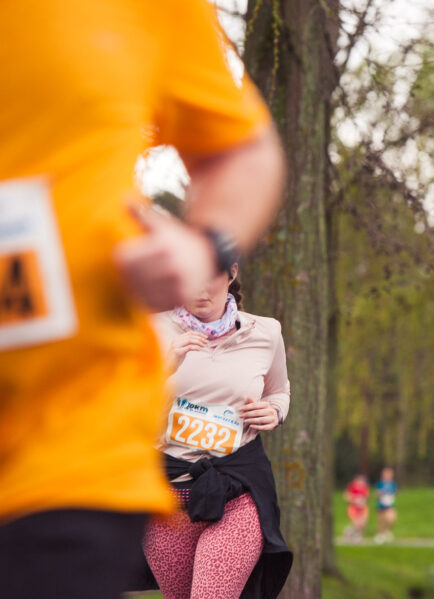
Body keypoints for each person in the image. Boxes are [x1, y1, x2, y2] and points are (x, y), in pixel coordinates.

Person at [0, 2, 284, 597]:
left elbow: (243, 147)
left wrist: (202, 246)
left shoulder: (152, 9)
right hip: (165, 479)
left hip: (66, 449)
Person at [142, 263, 292, 598]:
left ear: (231, 272)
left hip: (237, 489)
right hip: (167, 496)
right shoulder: (150, 328)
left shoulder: (265, 332)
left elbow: (279, 391)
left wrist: (275, 411)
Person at [344, 474, 370, 543]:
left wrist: (363, 501)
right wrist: (354, 500)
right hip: (354, 508)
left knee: (363, 524)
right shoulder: (352, 487)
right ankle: (352, 534)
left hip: (362, 508)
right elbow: (346, 496)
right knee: (356, 523)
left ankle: (352, 533)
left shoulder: (365, 488)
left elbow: (366, 498)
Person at [375, 467, 398, 544]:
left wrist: (395, 494)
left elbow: (395, 493)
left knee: (392, 518)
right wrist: (381, 493)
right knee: (381, 521)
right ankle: (380, 534)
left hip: (390, 505)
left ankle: (387, 531)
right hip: (381, 504)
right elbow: (377, 494)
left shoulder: (393, 484)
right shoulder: (380, 483)